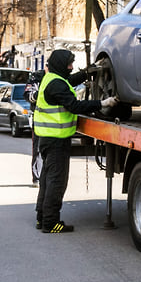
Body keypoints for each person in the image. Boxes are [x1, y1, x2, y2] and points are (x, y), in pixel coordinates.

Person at [34, 49, 117, 233]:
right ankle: (51, 224)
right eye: (69, 64)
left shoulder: (52, 78)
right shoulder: (57, 85)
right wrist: (102, 104)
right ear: (61, 65)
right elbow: (75, 106)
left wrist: (87, 72)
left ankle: (42, 218)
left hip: (48, 140)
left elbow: (69, 81)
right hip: (56, 142)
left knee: (47, 181)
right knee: (57, 183)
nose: (71, 67)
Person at [25, 70, 44, 185]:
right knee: (37, 149)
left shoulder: (59, 76)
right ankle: (37, 178)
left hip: (56, 123)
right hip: (39, 121)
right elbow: (28, 95)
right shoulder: (36, 78)